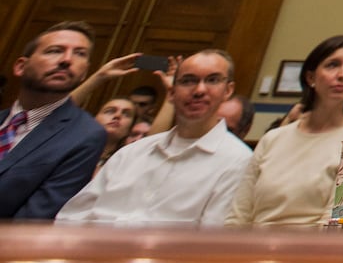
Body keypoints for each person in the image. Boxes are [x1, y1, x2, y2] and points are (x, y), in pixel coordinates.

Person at [56, 49, 252, 226]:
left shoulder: (237, 161)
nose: (199, 90)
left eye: (212, 80)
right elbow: (71, 217)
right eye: (188, 81)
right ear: (172, 92)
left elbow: (209, 244)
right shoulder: (132, 152)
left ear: (228, 90)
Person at [226, 35, 343, 226]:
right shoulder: (273, 139)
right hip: (252, 249)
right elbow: (238, 215)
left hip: (313, 252)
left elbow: (337, 224)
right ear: (311, 77)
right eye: (333, 65)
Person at [0, 23, 106, 220]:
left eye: (80, 54)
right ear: (21, 66)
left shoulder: (84, 135)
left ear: (84, 73)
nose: (67, 60)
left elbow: (33, 220)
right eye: (55, 51)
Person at [91, 98, 137, 174]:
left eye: (126, 114)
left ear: (130, 128)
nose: (117, 115)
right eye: (110, 111)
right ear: (94, 118)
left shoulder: (127, 161)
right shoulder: (75, 148)